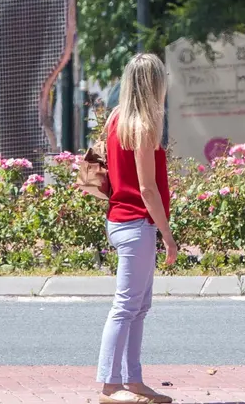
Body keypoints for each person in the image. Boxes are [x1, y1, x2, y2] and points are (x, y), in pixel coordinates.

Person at [97, 54, 176, 404]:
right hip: (135, 223)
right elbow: (147, 189)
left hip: (121, 220)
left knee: (138, 306)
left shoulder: (116, 118)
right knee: (127, 306)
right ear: (154, 85)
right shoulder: (143, 127)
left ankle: (133, 379)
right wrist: (169, 237)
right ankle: (110, 386)